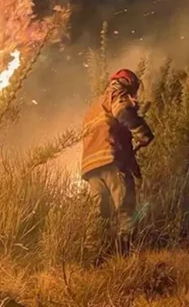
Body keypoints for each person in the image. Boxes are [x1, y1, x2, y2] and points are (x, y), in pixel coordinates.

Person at [81, 69, 154, 254]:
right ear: (128, 84)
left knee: (98, 213)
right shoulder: (117, 95)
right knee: (125, 208)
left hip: (91, 165)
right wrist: (143, 133)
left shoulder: (94, 105)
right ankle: (125, 256)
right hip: (111, 160)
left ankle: (93, 256)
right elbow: (124, 115)